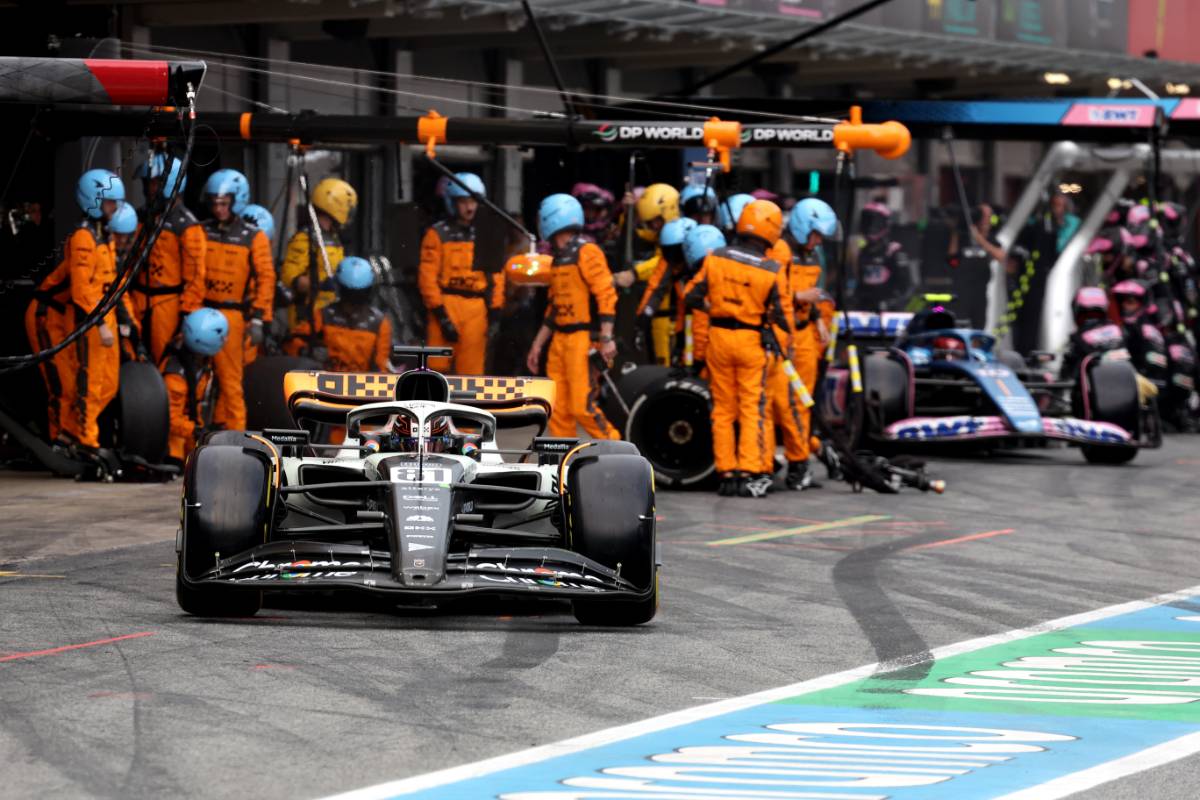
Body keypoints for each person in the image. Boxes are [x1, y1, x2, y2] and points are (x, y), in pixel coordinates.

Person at [684, 199, 789, 498]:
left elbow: (690, 295)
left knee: (722, 410)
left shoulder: (716, 257)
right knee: (751, 407)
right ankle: (750, 471)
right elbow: (781, 315)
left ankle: (726, 472)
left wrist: (713, 307)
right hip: (750, 342)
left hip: (718, 337)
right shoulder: (771, 269)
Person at [525, 194, 620, 440]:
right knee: (558, 409)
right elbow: (554, 308)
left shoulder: (587, 252)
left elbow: (606, 294)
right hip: (560, 341)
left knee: (582, 407)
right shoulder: (558, 259)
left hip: (583, 340)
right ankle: (564, 460)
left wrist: (607, 337)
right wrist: (538, 344)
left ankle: (617, 449)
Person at [767, 198, 839, 491]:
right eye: (816, 234)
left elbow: (812, 294)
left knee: (802, 404)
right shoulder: (781, 251)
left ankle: (800, 462)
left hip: (806, 334)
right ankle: (797, 457)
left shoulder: (813, 255)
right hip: (784, 334)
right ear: (801, 227)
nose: (818, 240)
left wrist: (816, 317)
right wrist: (800, 298)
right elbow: (775, 291)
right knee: (781, 403)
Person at [57, 169, 126, 454]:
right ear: (95, 200)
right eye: (110, 202)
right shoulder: (84, 237)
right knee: (90, 382)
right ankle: (85, 440)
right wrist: (99, 324)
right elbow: (81, 290)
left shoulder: (104, 236)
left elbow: (110, 282)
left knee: (109, 383)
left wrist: (121, 320)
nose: (114, 208)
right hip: (90, 319)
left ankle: (72, 432)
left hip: (106, 315)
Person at [200, 169, 275, 432]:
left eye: (224, 203)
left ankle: (234, 438)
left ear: (236, 201)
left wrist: (258, 318)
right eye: (214, 203)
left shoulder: (253, 236)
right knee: (196, 382)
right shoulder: (202, 231)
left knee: (231, 382)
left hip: (232, 317)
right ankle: (189, 442)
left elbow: (266, 278)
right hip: (201, 311)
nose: (218, 209)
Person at [418, 172, 505, 374]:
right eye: (464, 201)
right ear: (452, 202)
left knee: (472, 373)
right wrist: (441, 316)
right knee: (436, 368)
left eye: (473, 201)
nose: (470, 207)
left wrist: (496, 313)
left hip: (476, 308)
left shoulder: (487, 233)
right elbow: (427, 278)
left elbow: (497, 277)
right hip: (445, 303)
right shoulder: (437, 234)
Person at [129, 154, 206, 364]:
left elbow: (195, 277)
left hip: (167, 305)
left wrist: (187, 315)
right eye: (148, 183)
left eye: (153, 183)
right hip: (136, 299)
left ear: (169, 185)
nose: (148, 189)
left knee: (163, 360)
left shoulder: (187, 226)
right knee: (132, 357)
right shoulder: (140, 217)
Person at [281, 177, 357, 354]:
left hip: (330, 315)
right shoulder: (306, 239)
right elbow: (289, 278)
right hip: (308, 316)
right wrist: (320, 284)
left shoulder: (333, 238)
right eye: (348, 207)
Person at [161, 306, 228, 465]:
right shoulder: (176, 376)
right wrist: (196, 431)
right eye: (221, 337)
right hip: (172, 437)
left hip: (189, 426)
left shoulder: (200, 361)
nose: (225, 340)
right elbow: (169, 418)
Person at [312, 256, 392, 373]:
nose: (351, 304)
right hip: (324, 382)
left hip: (361, 387)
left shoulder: (378, 323)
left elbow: (381, 367)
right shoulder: (323, 316)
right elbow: (296, 344)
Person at [637, 217, 696, 366]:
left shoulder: (709, 263)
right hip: (686, 322)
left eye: (676, 253)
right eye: (669, 253)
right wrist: (646, 312)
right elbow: (656, 286)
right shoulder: (670, 262)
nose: (673, 259)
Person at [679, 224, 725, 375]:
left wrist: (696, 362)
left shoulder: (699, 287)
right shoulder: (731, 274)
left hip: (709, 360)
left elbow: (699, 328)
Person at [852, 202, 911, 311]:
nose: (870, 226)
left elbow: (907, 286)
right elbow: (860, 282)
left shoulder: (893, 251)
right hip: (865, 311)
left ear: (885, 224)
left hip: (890, 312)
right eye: (866, 221)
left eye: (874, 222)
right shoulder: (864, 251)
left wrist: (893, 303)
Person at [1059, 286, 1127, 380]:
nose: (1091, 319)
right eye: (1087, 315)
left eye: (1094, 315)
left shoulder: (1077, 337)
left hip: (1099, 387)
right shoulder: (1119, 330)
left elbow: (1066, 375)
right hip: (1121, 384)